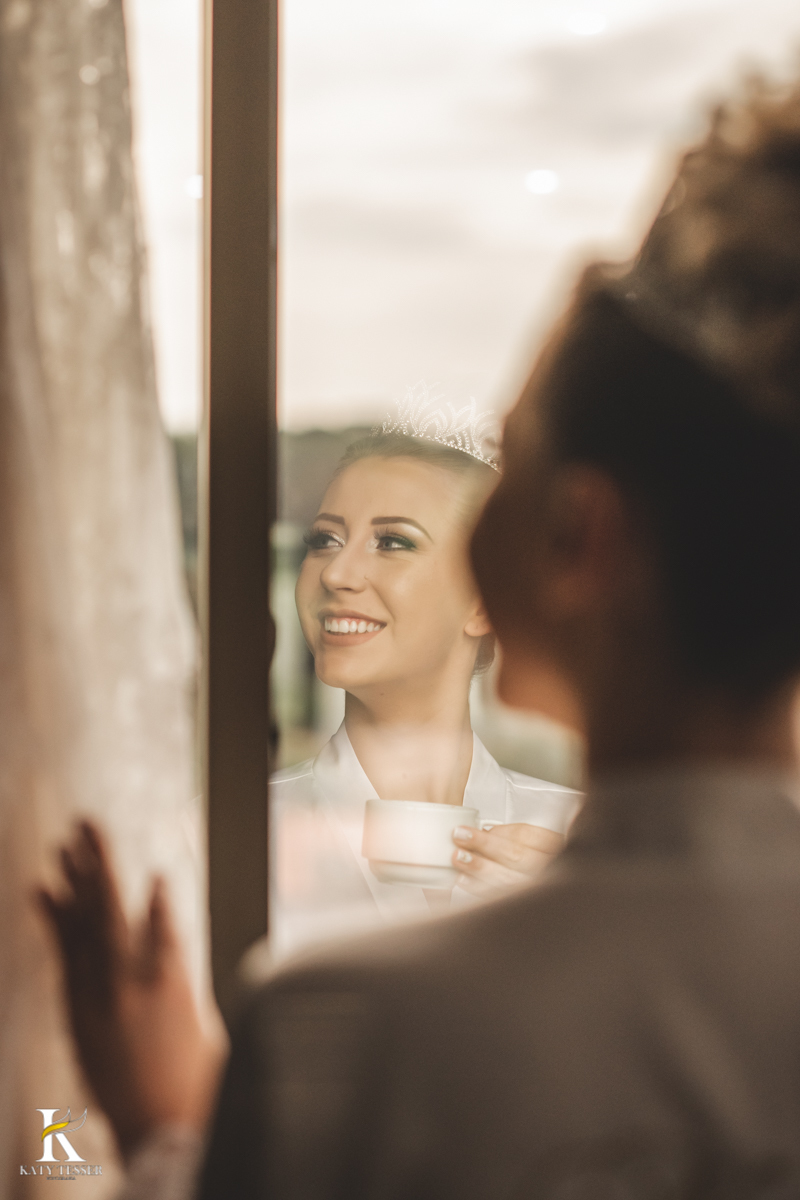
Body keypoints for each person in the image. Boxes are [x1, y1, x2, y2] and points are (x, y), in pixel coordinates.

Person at [41, 73, 800, 1196]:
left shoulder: (340, 1033)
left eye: (507, 452)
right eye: (323, 538)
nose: (342, 571)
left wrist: (166, 1128)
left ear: (578, 538)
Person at [270, 414, 580, 959]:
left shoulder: (586, 852)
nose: (337, 572)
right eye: (324, 539)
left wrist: (584, 934)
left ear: (485, 597)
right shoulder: (217, 845)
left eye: (391, 541)